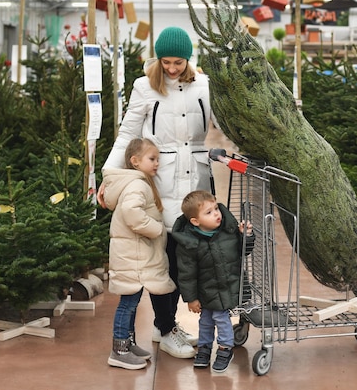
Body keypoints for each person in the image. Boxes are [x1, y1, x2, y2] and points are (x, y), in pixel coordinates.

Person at [99, 26, 216, 359]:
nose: (172, 69)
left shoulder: (204, 86)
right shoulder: (144, 87)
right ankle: (166, 328)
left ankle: (163, 326)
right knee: (163, 257)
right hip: (158, 180)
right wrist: (109, 177)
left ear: (188, 60)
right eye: (166, 62)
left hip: (196, 179)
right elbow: (127, 135)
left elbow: (223, 123)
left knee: (187, 256)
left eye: (178, 62)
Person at [102, 138, 176, 370]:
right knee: (128, 302)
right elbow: (130, 212)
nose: (156, 164)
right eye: (152, 159)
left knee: (132, 300)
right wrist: (156, 229)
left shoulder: (139, 182)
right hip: (132, 256)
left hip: (134, 255)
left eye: (158, 160)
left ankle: (129, 343)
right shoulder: (137, 185)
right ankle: (119, 350)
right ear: (134, 161)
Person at [171, 190, 254, 373]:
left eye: (216, 208)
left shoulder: (228, 231)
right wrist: (191, 298)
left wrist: (245, 235)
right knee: (206, 320)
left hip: (228, 285)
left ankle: (225, 348)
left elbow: (243, 251)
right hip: (206, 291)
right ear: (195, 221)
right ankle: (204, 347)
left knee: (220, 317)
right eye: (208, 212)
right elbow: (186, 274)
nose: (216, 214)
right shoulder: (189, 243)